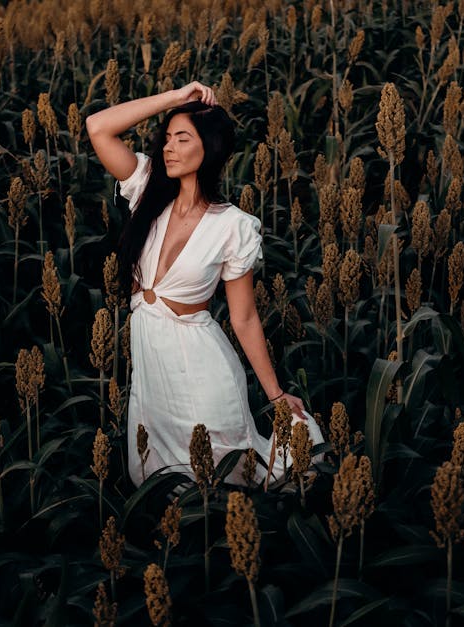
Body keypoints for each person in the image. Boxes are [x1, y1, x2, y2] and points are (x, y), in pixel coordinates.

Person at [86, 81, 323, 486]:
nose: (168, 148)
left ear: (209, 148)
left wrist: (276, 395)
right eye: (167, 138)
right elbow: (97, 127)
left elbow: (244, 318)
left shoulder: (234, 226)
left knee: (227, 477)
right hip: (152, 373)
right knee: (160, 482)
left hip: (202, 373)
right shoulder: (147, 191)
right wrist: (176, 98)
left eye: (182, 138)